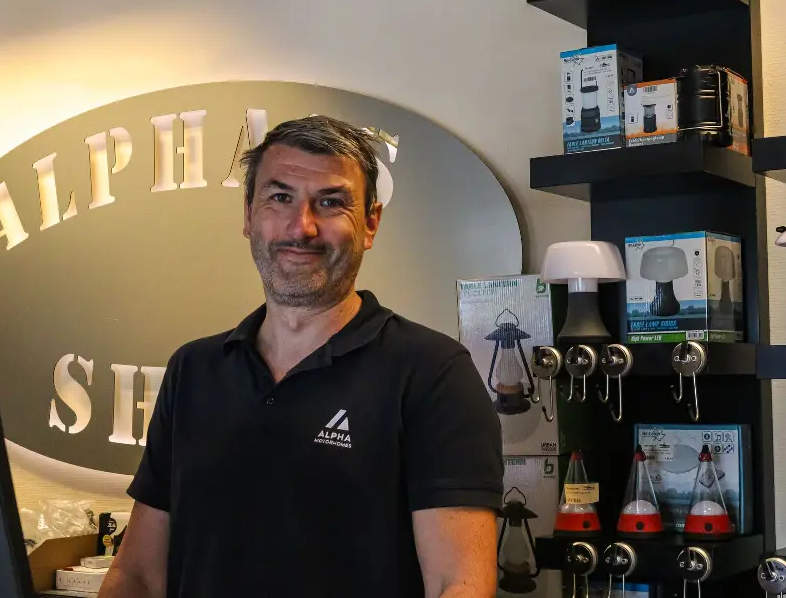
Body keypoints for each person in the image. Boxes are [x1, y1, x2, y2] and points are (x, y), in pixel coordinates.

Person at [98, 115, 504, 598]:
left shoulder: (432, 373)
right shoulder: (194, 370)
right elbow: (139, 575)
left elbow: (457, 585)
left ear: (370, 223)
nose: (301, 227)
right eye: (280, 197)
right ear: (249, 215)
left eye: (330, 202)